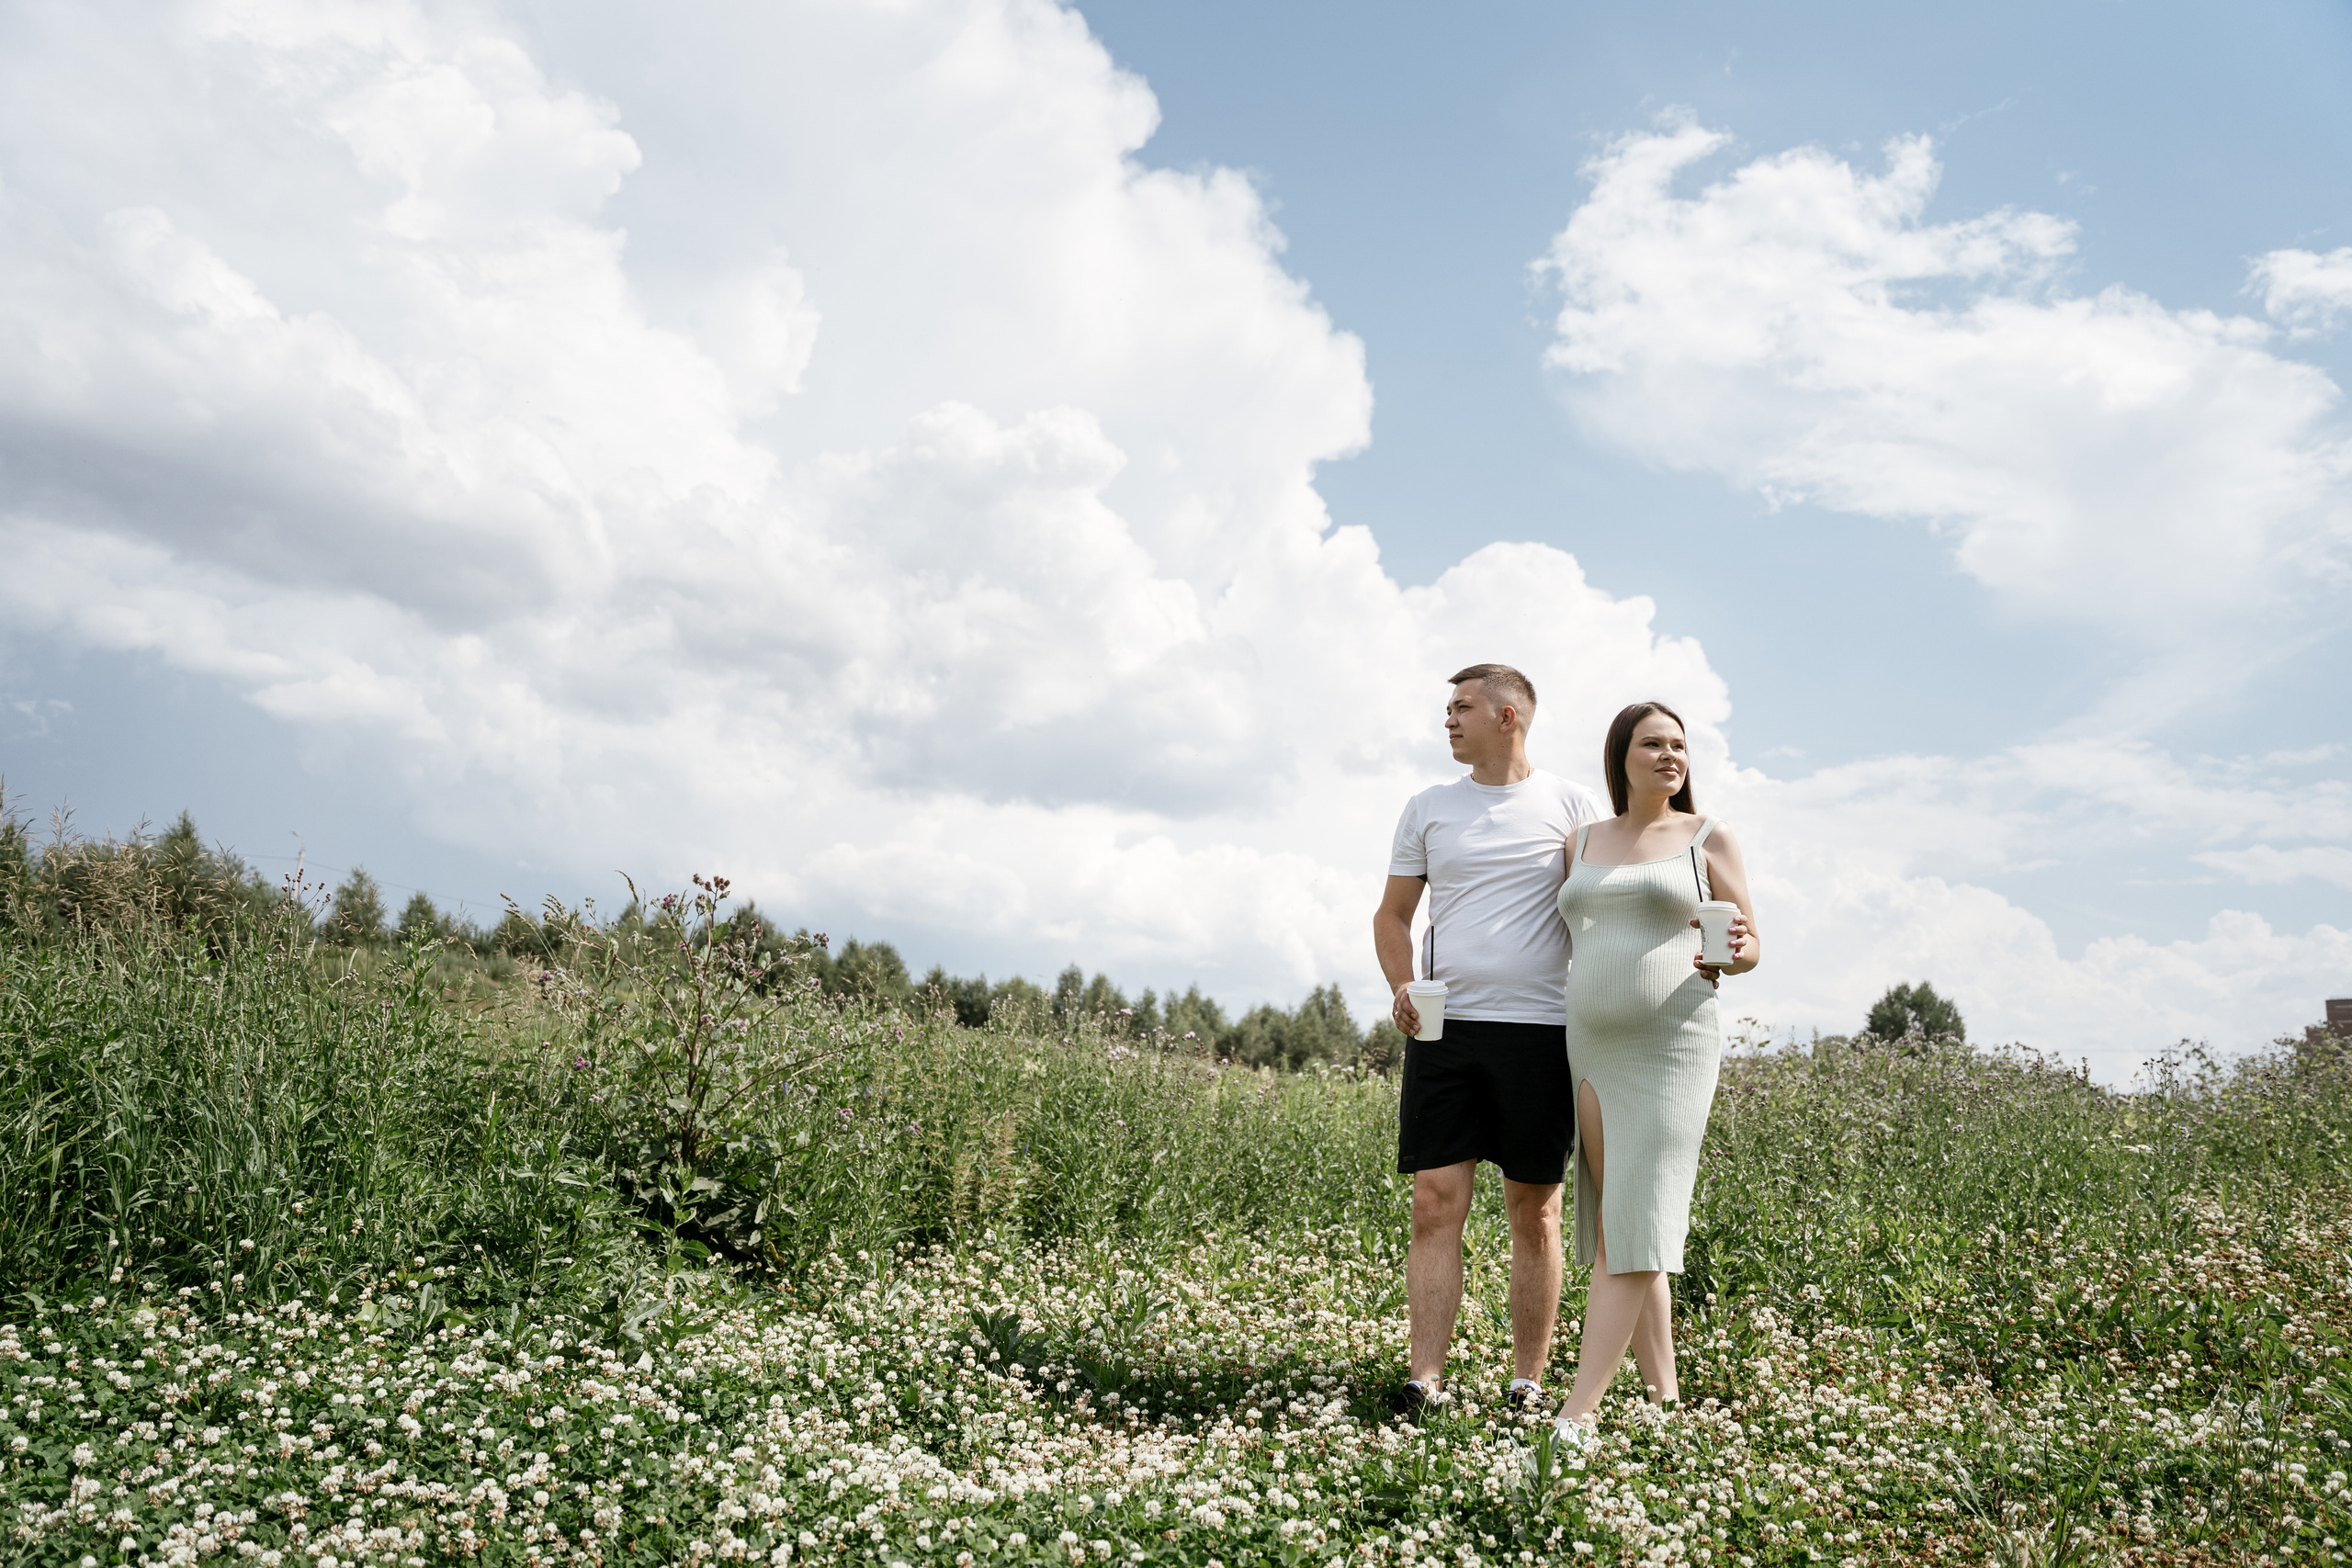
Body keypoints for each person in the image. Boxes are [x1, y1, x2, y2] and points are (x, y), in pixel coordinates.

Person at [1374, 664, 1606, 1416]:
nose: (1448, 719)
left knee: (1533, 1208)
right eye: (1447, 708)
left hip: (1542, 1033)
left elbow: (1603, 912)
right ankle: (1424, 1379)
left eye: (1462, 707)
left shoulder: (1571, 804)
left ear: (1508, 716)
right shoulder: (1428, 807)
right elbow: (1392, 915)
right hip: (1446, 1032)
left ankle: (1527, 1382)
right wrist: (1401, 984)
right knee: (1434, 1203)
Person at [1551, 700, 1759, 1450]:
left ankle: (1577, 1415)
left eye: (1679, 745)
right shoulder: (1580, 841)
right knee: (1624, 1219)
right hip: (1592, 1047)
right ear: (1622, 755)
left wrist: (1733, 951)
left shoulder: (1706, 836)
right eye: (1654, 743)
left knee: (1635, 1228)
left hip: (1672, 1046)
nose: (1671, 755)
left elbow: (1749, 942)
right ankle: (1664, 1400)